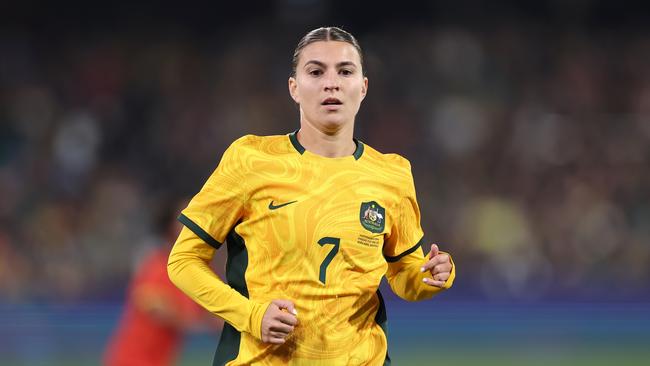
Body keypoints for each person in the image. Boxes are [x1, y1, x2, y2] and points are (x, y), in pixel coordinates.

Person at [167, 26, 455, 365]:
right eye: (316, 71)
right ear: (294, 88)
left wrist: (433, 274)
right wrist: (251, 314)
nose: (331, 82)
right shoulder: (251, 160)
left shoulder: (392, 173)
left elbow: (404, 276)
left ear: (362, 88)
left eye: (345, 71)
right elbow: (183, 262)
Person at [104, 199, 218, 366]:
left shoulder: (199, 269)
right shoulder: (159, 263)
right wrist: (189, 321)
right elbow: (149, 300)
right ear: (169, 227)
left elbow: (216, 313)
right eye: (188, 216)